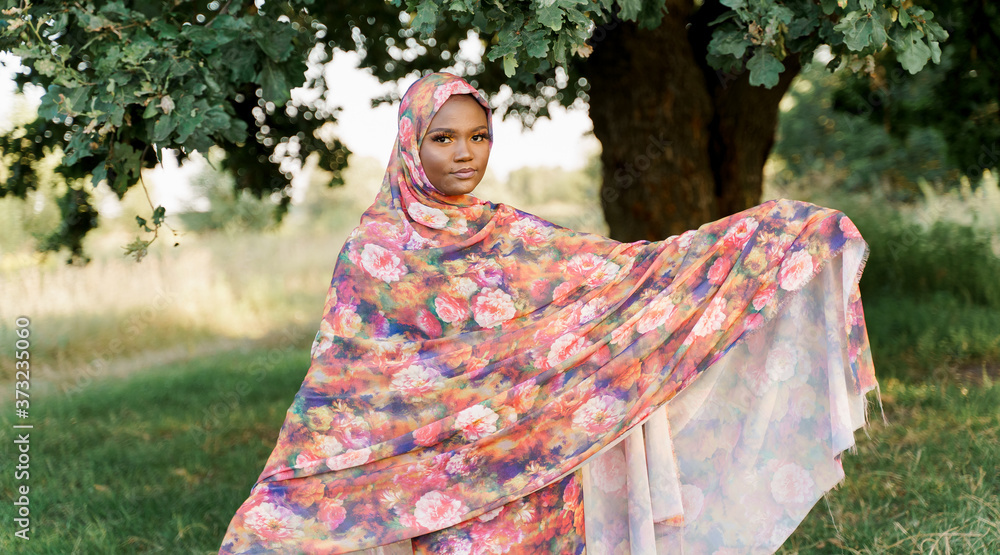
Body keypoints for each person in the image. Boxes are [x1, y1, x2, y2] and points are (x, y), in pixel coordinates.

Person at [218, 71, 880, 555]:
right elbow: (344, 381)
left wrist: (771, 236)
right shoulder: (373, 251)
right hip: (422, 476)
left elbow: (618, 278)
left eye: (477, 136)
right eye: (443, 137)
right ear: (410, 144)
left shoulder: (506, 232)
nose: (464, 153)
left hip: (526, 464)